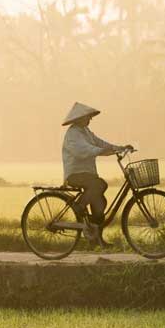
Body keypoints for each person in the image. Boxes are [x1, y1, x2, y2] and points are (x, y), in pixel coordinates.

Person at [61, 102, 132, 243]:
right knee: (100, 185)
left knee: (100, 203)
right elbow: (84, 150)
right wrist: (102, 152)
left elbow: (100, 143)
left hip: (87, 174)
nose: (90, 119)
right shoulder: (73, 134)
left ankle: (96, 239)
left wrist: (119, 148)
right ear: (80, 118)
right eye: (88, 117)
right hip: (75, 174)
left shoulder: (86, 132)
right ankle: (79, 205)